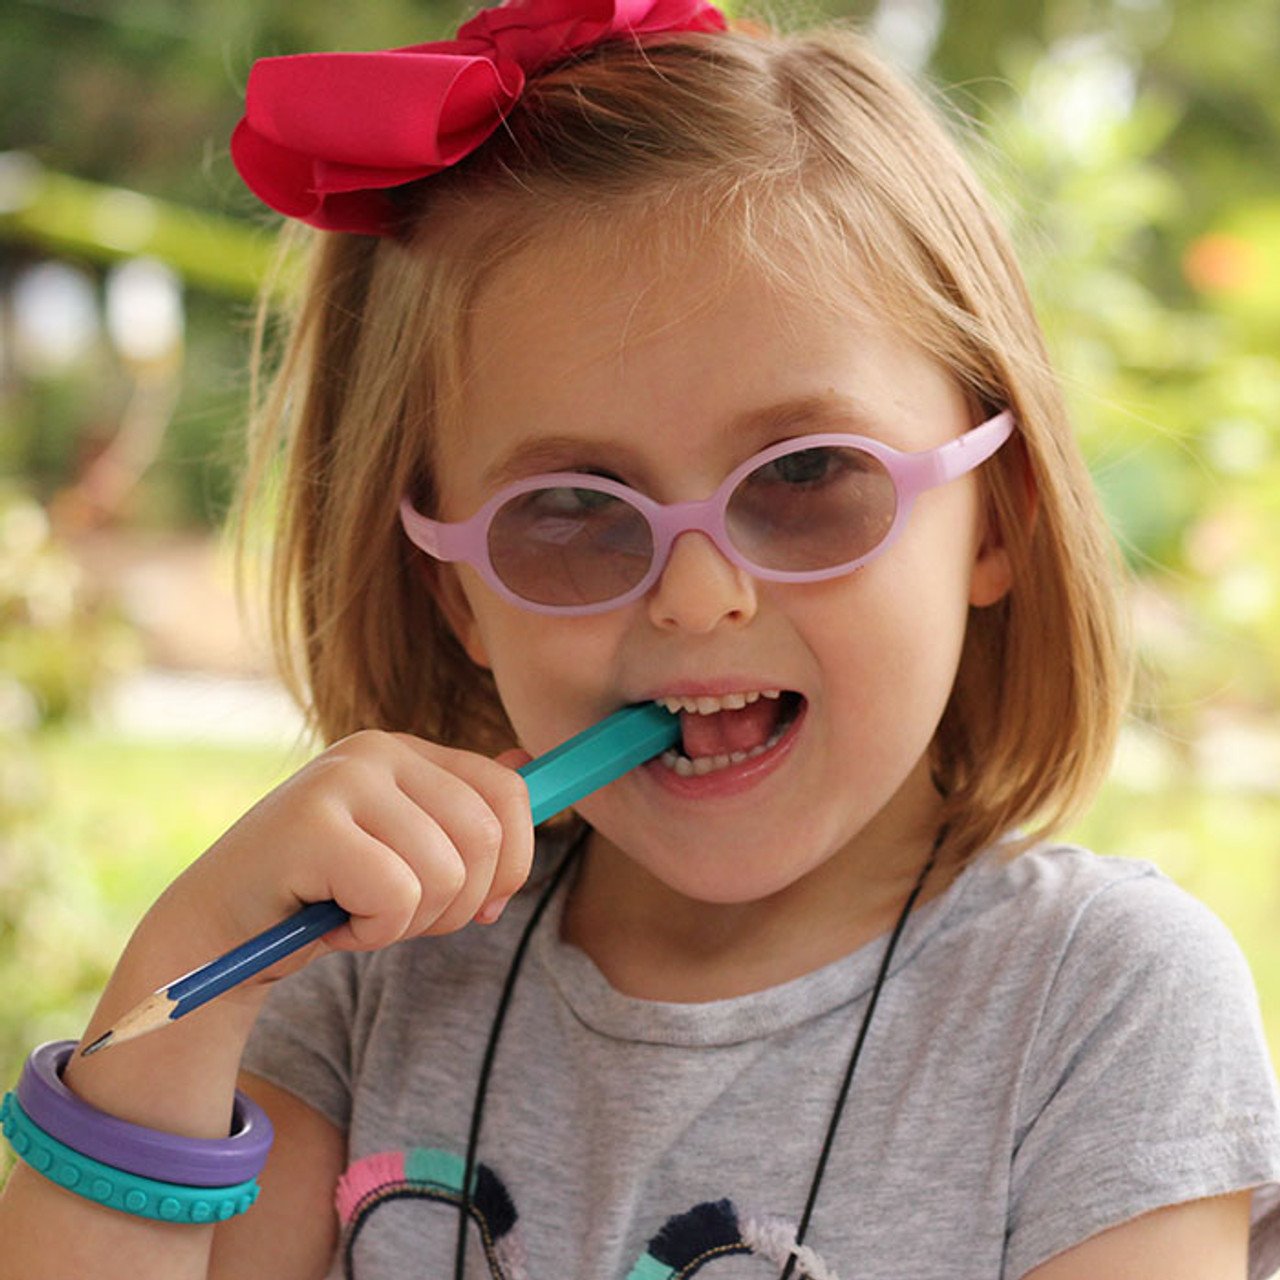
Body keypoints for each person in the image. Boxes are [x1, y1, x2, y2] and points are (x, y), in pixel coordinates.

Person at [2, 0, 1278, 1275]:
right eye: (571, 512)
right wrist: (196, 963)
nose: (696, 593)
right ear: (455, 591)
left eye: (805, 474)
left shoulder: (1100, 1001)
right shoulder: (364, 986)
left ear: (995, 516)